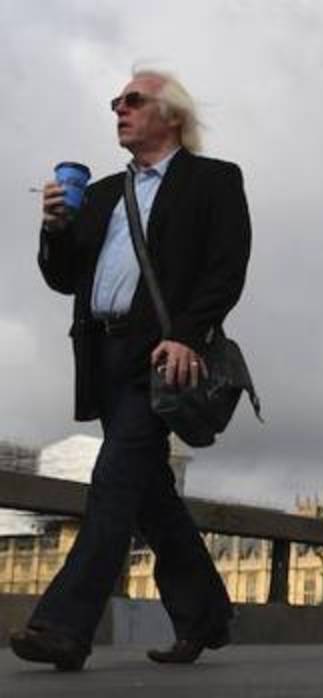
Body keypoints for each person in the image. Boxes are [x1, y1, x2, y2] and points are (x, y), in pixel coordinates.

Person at [9, 68, 250, 671]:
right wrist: (55, 228)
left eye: (133, 101)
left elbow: (226, 266)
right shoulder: (104, 192)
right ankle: (205, 615)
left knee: (115, 483)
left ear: (171, 116)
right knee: (150, 496)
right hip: (103, 356)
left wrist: (187, 336)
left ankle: (63, 627)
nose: (119, 109)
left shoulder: (214, 181)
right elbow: (64, 277)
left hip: (161, 354)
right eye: (115, 102)